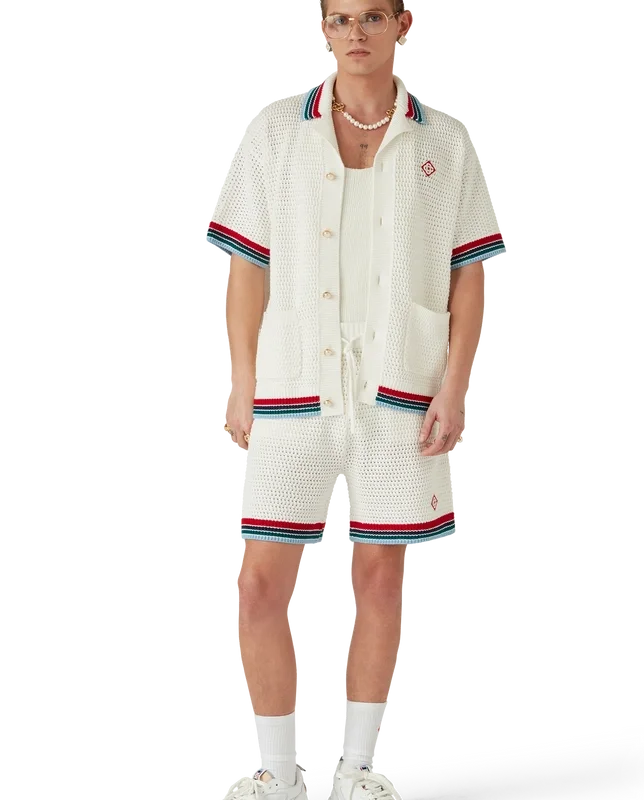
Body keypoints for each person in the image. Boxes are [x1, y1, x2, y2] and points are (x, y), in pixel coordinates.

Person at [208, 2, 506, 797]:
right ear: (322, 29)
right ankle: (275, 771)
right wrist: (241, 383)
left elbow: (468, 274)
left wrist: (455, 387)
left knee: (378, 580)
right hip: (292, 386)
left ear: (404, 25)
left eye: (372, 17)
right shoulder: (276, 130)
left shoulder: (447, 140)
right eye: (340, 19)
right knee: (258, 585)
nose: (355, 35)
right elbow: (246, 265)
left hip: (399, 391)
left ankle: (359, 771)